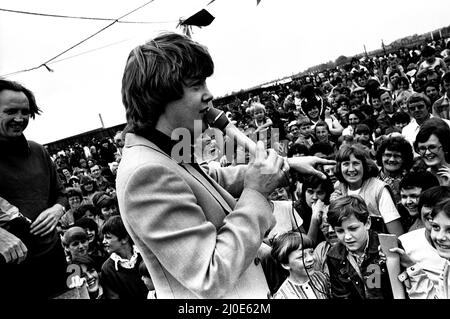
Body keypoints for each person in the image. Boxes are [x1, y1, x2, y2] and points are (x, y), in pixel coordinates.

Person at [117, 32, 333, 299]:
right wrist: (256, 193)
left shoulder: (160, 150)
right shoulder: (145, 174)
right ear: (160, 95)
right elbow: (210, 275)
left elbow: (208, 180)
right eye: (196, 85)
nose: (209, 95)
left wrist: (284, 163)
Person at [0, 79, 68, 299]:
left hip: (53, 258)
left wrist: (57, 209)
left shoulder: (38, 151)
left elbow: (60, 194)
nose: (19, 119)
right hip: (11, 269)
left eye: (25, 112)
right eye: (10, 111)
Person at [326, 196, 393, 299]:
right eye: (340, 231)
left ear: (367, 223)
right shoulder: (334, 256)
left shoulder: (385, 245)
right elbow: (341, 295)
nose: (347, 237)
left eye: (353, 229)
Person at [331, 144, 404, 236]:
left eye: (356, 163)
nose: (351, 169)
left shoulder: (379, 189)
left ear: (364, 166)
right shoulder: (340, 187)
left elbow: (396, 233)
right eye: (346, 164)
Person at [393, 198, 450, 298]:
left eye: (449, 230)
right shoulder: (447, 265)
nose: (440, 237)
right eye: (436, 227)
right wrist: (410, 265)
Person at [100, 215, 148, 299]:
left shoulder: (145, 256)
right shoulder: (107, 269)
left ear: (124, 239)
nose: (104, 241)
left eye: (108, 237)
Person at [271, 231, 330, 299]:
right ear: (286, 264)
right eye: (301, 257)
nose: (310, 258)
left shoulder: (322, 278)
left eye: (311, 252)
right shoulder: (283, 295)